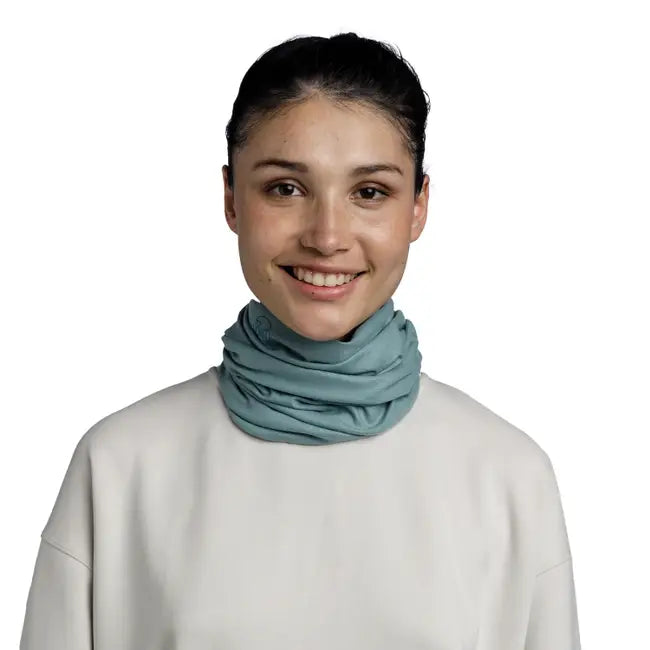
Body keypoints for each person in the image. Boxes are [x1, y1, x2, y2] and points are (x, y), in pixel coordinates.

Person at [20, 32, 581, 649]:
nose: (327, 236)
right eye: (286, 188)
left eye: (369, 192)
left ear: (418, 207)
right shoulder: (119, 466)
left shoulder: (509, 476)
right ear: (232, 199)